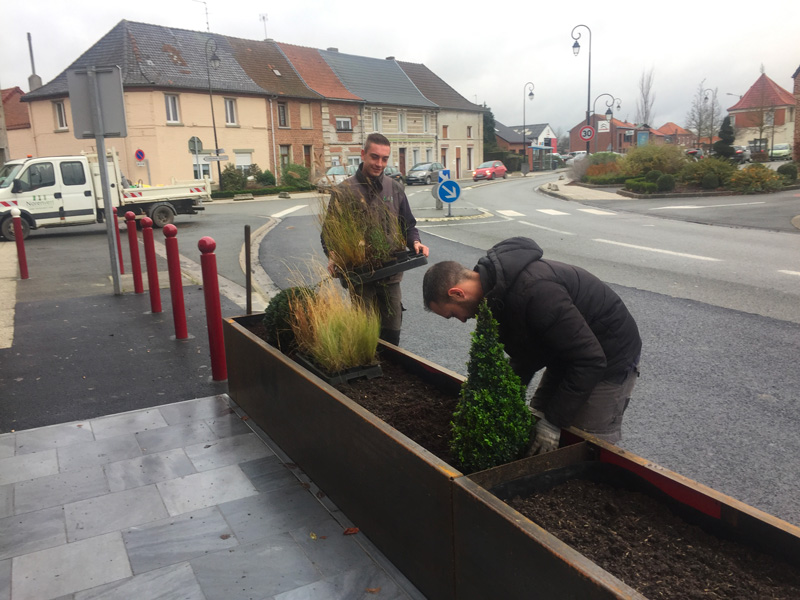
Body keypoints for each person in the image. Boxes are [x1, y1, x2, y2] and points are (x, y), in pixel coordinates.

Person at [422, 237, 641, 454]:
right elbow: (527, 352)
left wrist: (553, 423)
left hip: (609, 354)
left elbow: (590, 360)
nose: (461, 320)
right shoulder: (498, 294)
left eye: (452, 314)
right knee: (538, 415)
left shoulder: (535, 291)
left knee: (586, 443)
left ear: (457, 293)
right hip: (566, 352)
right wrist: (502, 395)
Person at [322, 133, 429, 346]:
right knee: (365, 333)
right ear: (363, 154)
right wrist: (333, 257)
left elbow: (407, 224)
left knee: (392, 330)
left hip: (391, 274)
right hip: (360, 276)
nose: (379, 163)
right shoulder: (344, 191)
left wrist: (415, 242)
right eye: (374, 157)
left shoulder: (395, 188)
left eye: (384, 159)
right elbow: (330, 233)